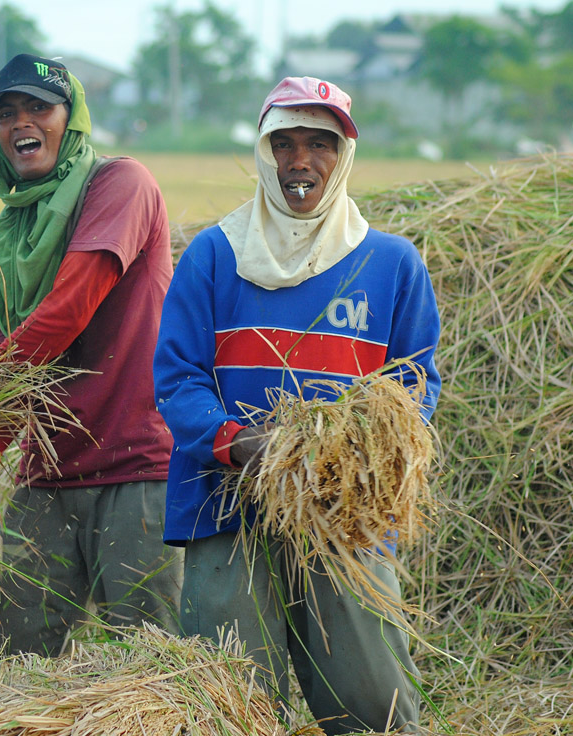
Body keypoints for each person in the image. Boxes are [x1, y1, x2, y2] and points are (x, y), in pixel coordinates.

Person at [152, 76, 440, 733]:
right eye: (284, 143)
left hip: (346, 518)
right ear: (263, 151)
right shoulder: (215, 257)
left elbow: (416, 383)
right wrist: (239, 444)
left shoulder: (391, 266)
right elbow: (177, 378)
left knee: (376, 705)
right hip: (227, 507)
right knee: (226, 706)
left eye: (320, 144)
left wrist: (354, 455)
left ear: (344, 157)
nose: (300, 161)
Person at [0, 53, 181, 665]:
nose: (21, 123)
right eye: (5, 113)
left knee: (148, 670)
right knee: (6, 666)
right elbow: (0, 371)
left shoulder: (122, 185)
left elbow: (66, 312)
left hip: (137, 469)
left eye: (40, 107)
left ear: (73, 119)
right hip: (49, 473)